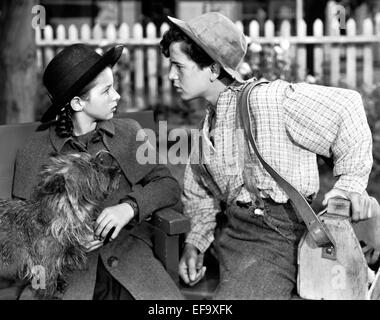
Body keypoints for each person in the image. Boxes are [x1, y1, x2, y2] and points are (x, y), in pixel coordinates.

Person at [160, 12, 380, 299]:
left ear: (213, 69)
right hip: (231, 236)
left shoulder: (266, 100)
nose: (171, 76)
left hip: (274, 238)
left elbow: (346, 107)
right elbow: (198, 192)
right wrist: (196, 243)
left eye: (178, 66)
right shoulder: (207, 125)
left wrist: (350, 185)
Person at [12, 43, 184, 300]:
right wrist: (64, 241)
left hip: (130, 264)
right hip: (66, 275)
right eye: (107, 91)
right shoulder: (36, 149)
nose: (117, 96)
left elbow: (167, 184)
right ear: (78, 103)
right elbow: (19, 228)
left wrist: (130, 207)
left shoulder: (128, 133)